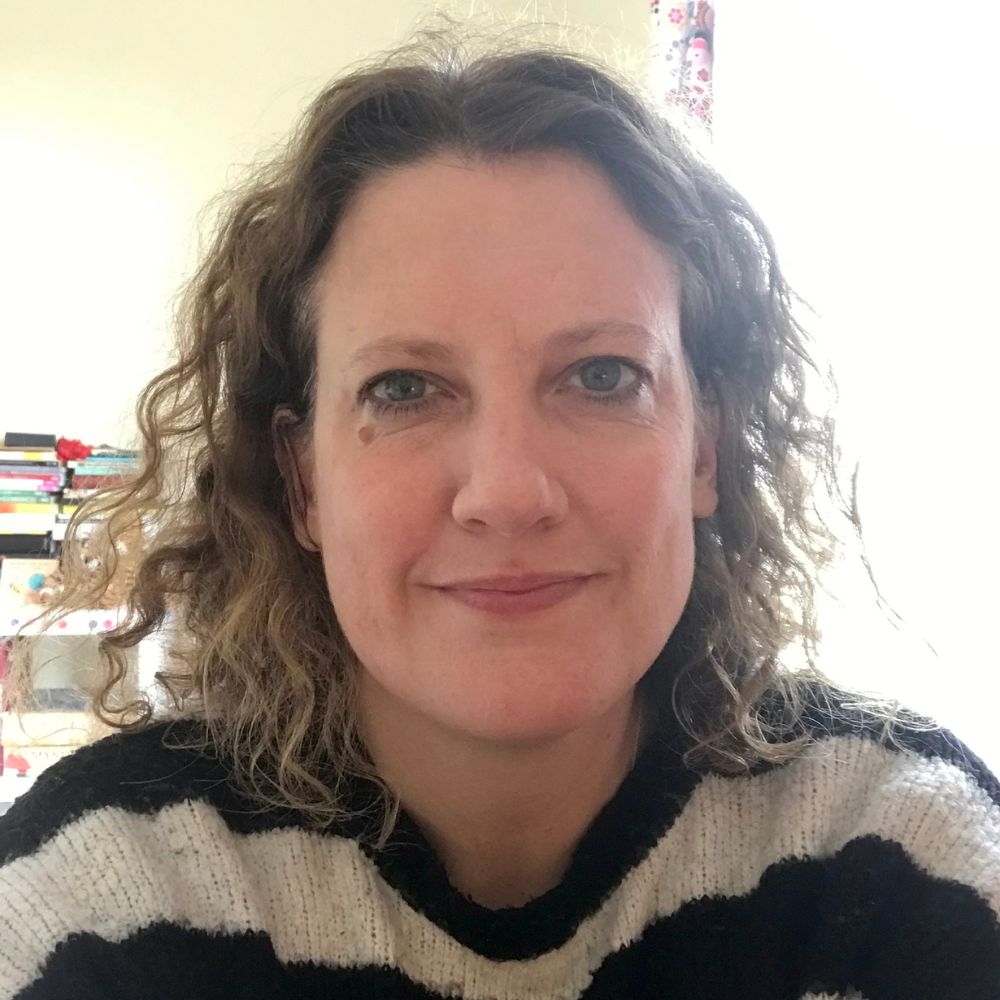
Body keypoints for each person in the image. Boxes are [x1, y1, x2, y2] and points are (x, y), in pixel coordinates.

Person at [1, 28, 998, 1000]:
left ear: (703, 446)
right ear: (301, 481)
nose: (509, 491)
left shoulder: (903, 850)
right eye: (402, 389)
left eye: (602, 376)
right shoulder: (98, 895)